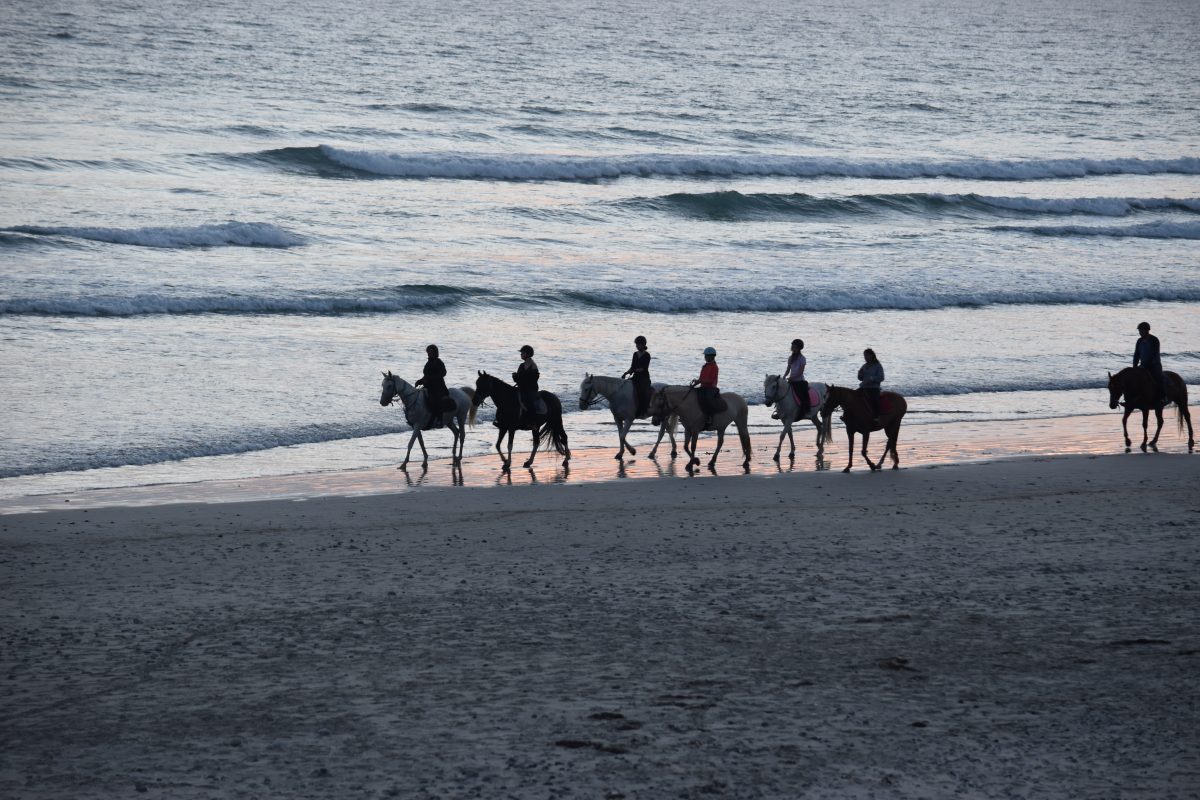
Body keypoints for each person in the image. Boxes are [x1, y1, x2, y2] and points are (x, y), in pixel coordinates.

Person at [414, 344, 449, 428]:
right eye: (428, 352)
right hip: (428, 386)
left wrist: (431, 378)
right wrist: (420, 381)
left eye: (430, 351)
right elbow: (426, 375)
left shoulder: (438, 362)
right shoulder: (428, 362)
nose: (428, 353)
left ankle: (439, 420)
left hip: (438, 386)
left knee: (436, 400)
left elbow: (443, 373)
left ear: (434, 352)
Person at [1132, 321, 1164, 404]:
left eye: (1141, 330)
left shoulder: (1154, 340)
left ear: (1147, 330)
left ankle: (1162, 397)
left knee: (1158, 379)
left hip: (1154, 365)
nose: (1140, 332)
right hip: (1143, 365)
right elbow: (1136, 354)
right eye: (1139, 331)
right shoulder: (1139, 341)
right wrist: (1134, 367)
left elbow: (1153, 354)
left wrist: (1145, 365)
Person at [621, 335, 652, 417]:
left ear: (643, 345)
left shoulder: (647, 355)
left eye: (638, 344)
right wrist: (626, 373)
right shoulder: (635, 354)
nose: (637, 346)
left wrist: (634, 370)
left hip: (644, 378)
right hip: (636, 377)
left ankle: (642, 410)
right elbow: (632, 367)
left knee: (642, 392)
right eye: (636, 344)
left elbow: (643, 369)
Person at [691, 346, 720, 430]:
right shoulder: (705, 366)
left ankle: (708, 419)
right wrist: (697, 381)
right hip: (703, 387)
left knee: (707, 401)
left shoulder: (714, 367)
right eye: (705, 356)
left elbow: (711, 380)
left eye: (706, 356)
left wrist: (700, 381)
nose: (705, 357)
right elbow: (702, 378)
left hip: (710, 388)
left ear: (712, 356)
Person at [513, 344, 540, 424]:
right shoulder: (522, 365)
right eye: (521, 353)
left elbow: (533, 379)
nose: (521, 354)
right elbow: (518, 379)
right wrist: (515, 377)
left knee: (529, 402)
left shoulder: (533, 365)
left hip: (530, 389)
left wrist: (518, 378)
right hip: (522, 388)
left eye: (522, 353)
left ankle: (533, 422)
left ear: (527, 354)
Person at [858, 348, 884, 424]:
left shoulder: (878, 366)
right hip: (863, 387)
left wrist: (871, 378)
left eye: (867, 355)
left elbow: (881, 377)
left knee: (874, 400)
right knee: (852, 397)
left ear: (872, 355)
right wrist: (860, 374)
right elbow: (860, 378)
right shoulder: (864, 366)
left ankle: (876, 417)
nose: (865, 357)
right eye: (864, 356)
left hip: (874, 388)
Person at [785, 338, 810, 417]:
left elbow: (801, 371)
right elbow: (788, 369)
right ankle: (779, 411)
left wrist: (793, 378)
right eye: (792, 345)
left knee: (803, 397)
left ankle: (804, 412)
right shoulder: (790, 358)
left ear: (798, 347)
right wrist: (784, 376)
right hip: (791, 381)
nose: (792, 347)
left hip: (800, 381)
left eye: (794, 345)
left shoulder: (802, 358)